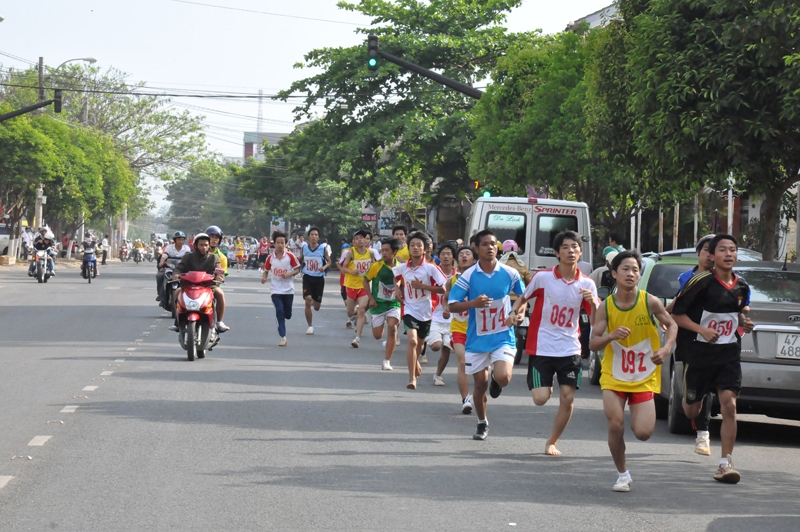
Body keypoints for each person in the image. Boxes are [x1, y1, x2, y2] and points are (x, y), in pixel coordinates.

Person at [589, 250, 678, 492]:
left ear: (640, 274)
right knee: (615, 425)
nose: (631, 273)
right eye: (626, 269)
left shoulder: (649, 301)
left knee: (643, 433)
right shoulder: (606, 307)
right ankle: (622, 474)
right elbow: (593, 343)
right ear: (614, 274)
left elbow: (672, 325)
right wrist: (610, 336)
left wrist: (666, 348)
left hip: (644, 377)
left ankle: (634, 427)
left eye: (635, 269)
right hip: (613, 376)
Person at [671, 234, 753, 484]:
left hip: (728, 356)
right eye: (723, 250)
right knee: (691, 409)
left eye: (733, 250)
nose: (729, 254)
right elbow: (675, 314)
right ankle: (695, 396)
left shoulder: (742, 287)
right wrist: (702, 330)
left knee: (730, 406)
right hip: (698, 356)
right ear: (713, 256)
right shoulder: (700, 282)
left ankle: (725, 463)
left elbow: (739, 314)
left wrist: (745, 323)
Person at [508, 230, 599, 455]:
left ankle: (552, 441)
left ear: (581, 252)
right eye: (566, 247)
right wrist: (515, 313)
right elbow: (523, 298)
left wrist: (594, 304)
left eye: (575, 247)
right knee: (540, 399)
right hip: (542, 346)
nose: (571, 251)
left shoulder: (587, 284)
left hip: (570, 348)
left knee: (567, 398)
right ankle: (546, 385)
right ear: (557, 252)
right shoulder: (543, 278)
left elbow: (598, 322)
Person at [449, 230, 525, 439]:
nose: (490, 247)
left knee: (504, 376)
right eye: (485, 244)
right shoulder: (469, 276)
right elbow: (452, 305)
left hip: (503, 335)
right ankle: (482, 422)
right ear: (476, 248)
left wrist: (517, 314)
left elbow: (524, 296)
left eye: (493, 244)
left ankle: (496, 379)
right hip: (477, 339)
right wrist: (473, 303)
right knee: (480, 386)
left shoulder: (510, 273)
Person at [666, 234, 717, 455]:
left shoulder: (729, 280)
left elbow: (742, 306)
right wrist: (663, 317)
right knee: (691, 403)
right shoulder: (687, 278)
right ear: (698, 252)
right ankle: (698, 422)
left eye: (715, 251)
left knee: (714, 389)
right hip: (690, 342)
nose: (710, 255)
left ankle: (704, 436)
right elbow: (679, 304)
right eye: (707, 249)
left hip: (716, 343)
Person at [393, 232, 447, 389]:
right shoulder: (403, 267)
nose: (415, 248)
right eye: (412, 245)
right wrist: (397, 289)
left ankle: (415, 360)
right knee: (412, 340)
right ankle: (412, 379)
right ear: (408, 248)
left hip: (426, 311)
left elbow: (442, 289)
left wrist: (423, 286)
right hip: (409, 308)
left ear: (425, 249)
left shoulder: (431, 268)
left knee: (420, 344)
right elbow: (395, 276)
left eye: (419, 245)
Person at [168, 233, 229, 332]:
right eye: (201, 245)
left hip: (209, 287)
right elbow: (179, 268)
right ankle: (177, 321)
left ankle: (219, 322)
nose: (204, 247)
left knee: (220, 293)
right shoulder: (188, 257)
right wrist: (176, 274)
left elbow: (219, 270)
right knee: (177, 292)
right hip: (188, 286)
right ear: (196, 245)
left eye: (206, 245)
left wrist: (220, 277)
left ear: (209, 245)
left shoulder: (214, 258)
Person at [445, 246, 479, 413]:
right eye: (461, 255)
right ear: (457, 260)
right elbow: (446, 298)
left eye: (468, 254)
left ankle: (481, 394)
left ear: (474, 259)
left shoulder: (480, 279)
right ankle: (465, 399)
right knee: (463, 361)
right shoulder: (452, 280)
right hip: (458, 326)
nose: (464, 256)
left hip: (478, 328)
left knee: (482, 368)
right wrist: (446, 308)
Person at [363, 237, 403, 370]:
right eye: (382, 250)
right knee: (377, 335)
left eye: (387, 250)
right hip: (378, 305)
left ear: (394, 252)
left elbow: (403, 283)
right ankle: (380, 326)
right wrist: (371, 298)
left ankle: (387, 361)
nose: (384, 253)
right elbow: (365, 280)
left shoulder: (400, 267)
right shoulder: (376, 266)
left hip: (393, 304)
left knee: (393, 328)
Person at [262, 231, 301, 346]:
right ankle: (283, 336)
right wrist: (264, 278)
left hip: (288, 289)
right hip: (275, 289)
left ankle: (283, 317)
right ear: (274, 244)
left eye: (282, 243)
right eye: (278, 242)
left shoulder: (290, 256)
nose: (280, 245)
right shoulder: (270, 258)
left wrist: (288, 274)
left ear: (285, 244)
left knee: (287, 314)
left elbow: (297, 269)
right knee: (279, 311)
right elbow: (266, 270)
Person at [340, 230, 375, 347]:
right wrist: (352, 272)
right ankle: (356, 314)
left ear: (366, 240)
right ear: (353, 242)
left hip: (364, 286)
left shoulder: (370, 253)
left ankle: (357, 337)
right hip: (351, 286)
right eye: (357, 238)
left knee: (361, 309)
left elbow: (374, 267)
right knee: (350, 313)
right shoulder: (351, 253)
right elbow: (343, 268)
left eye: (362, 238)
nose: (360, 240)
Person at [430, 243, 457, 386]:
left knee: (447, 349)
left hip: (452, 317)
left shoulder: (458, 275)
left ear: (453, 257)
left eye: (448, 254)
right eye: (443, 254)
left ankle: (438, 375)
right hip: (434, 314)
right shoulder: (434, 272)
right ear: (438, 256)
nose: (445, 257)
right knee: (436, 346)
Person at [299, 227, 330, 335]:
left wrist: (324, 267)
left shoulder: (322, 248)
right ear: (308, 237)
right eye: (312, 234)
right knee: (307, 300)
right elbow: (299, 259)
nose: (314, 236)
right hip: (307, 277)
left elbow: (329, 262)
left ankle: (314, 300)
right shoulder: (304, 248)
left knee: (316, 307)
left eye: (316, 235)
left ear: (318, 237)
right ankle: (310, 326)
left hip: (319, 279)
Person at [156, 232, 190, 303]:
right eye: (179, 239)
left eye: (182, 239)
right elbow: (164, 255)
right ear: (175, 240)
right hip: (170, 268)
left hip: (182, 269)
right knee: (160, 276)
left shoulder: (186, 248)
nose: (181, 241)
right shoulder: (169, 247)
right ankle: (161, 295)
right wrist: (161, 263)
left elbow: (189, 257)